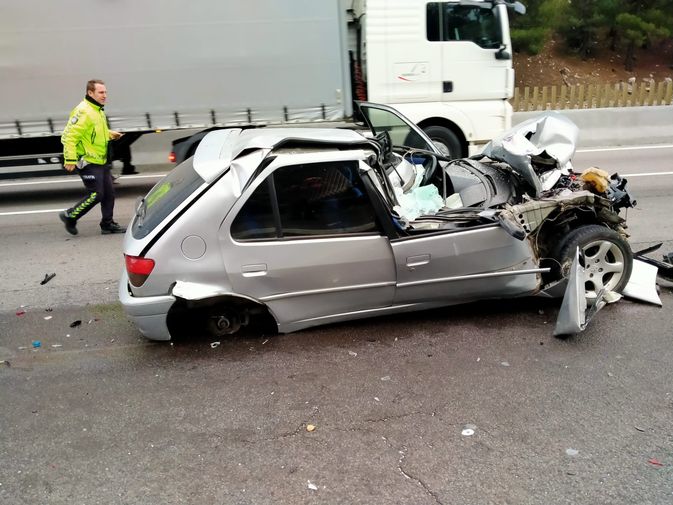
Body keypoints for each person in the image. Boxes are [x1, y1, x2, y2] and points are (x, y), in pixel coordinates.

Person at [59, 79, 126, 235]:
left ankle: (107, 224)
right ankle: (70, 215)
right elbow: (69, 137)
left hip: (100, 160)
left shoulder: (97, 110)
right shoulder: (83, 111)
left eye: (105, 92)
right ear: (90, 93)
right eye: (101, 92)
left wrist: (110, 134)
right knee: (97, 194)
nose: (105, 96)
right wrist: (69, 159)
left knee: (109, 193)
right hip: (87, 160)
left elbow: (93, 133)